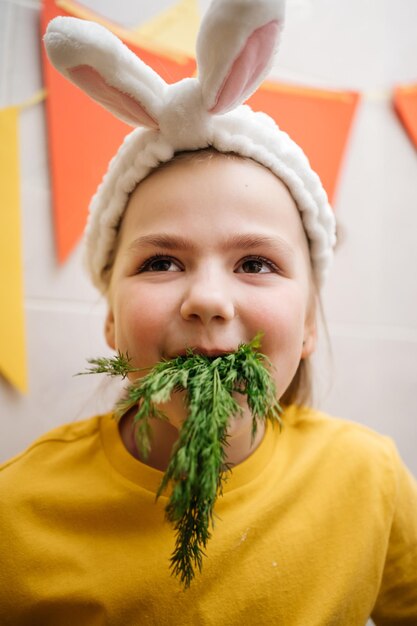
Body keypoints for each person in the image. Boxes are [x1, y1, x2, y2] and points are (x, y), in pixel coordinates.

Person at [1, 0, 416, 624]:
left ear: (307, 326)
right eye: (162, 262)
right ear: (111, 320)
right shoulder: (16, 510)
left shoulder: (370, 478)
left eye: (255, 264)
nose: (209, 301)